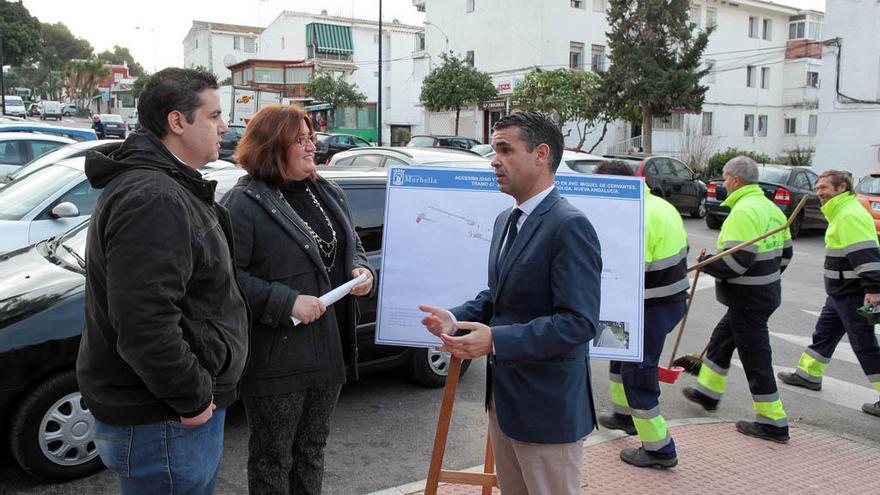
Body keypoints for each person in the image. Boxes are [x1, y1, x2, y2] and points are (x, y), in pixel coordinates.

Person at [77, 68, 249, 494]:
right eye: (213, 116)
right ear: (177, 122)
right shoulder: (154, 196)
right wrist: (192, 397)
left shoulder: (167, 185)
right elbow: (144, 322)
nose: (225, 127)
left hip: (170, 413)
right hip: (164, 418)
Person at [420, 111, 602, 494]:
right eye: (493, 150)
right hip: (505, 403)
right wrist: (455, 319)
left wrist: (496, 341)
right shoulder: (507, 219)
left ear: (541, 154)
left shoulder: (569, 226)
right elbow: (498, 297)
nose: (494, 160)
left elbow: (578, 322)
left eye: (505, 149)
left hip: (548, 412)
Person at [221, 104, 374, 495]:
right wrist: (287, 301)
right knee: (273, 460)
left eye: (312, 137)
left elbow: (351, 244)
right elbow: (226, 279)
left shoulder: (327, 190)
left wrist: (360, 270)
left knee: (312, 450)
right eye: (301, 139)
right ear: (273, 146)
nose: (312, 146)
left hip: (329, 348)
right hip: (277, 357)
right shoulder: (244, 203)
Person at [681, 156, 794, 443]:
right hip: (764, 292)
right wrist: (766, 276)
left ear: (735, 180)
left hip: (748, 297)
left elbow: (735, 264)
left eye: (724, 177)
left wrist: (707, 263)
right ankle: (707, 393)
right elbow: (786, 254)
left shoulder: (743, 212)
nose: (722, 182)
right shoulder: (770, 208)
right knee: (721, 340)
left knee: (756, 359)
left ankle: (773, 423)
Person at [593, 160, 689, 468]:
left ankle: (659, 448)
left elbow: (625, 272)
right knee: (618, 354)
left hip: (647, 307)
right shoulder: (659, 205)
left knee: (638, 373)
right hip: (662, 301)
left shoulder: (633, 215)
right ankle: (624, 415)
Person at [777, 170, 880, 417]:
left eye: (824, 187)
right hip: (839, 293)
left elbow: (865, 256)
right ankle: (808, 375)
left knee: (864, 345)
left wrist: (874, 289)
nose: (819, 192)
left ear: (842, 187)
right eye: (818, 187)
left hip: (852, 293)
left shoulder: (848, 215)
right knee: (824, 333)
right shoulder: (842, 212)